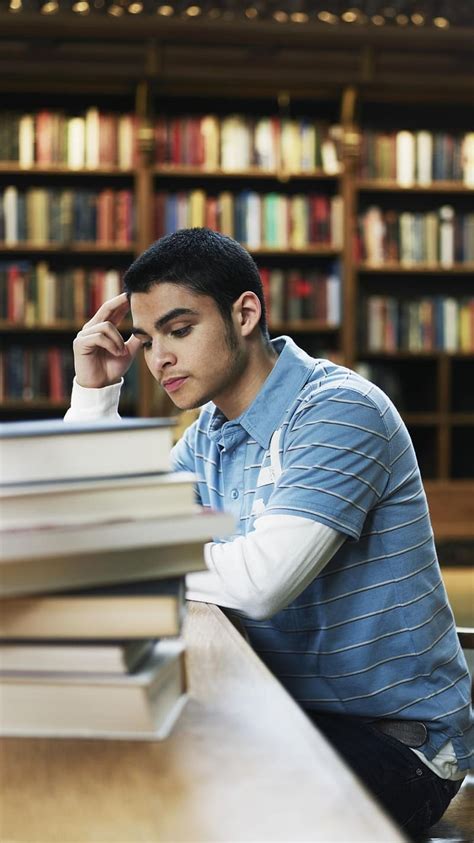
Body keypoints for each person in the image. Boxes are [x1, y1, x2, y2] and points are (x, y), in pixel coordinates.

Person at [66, 227, 473, 837]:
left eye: (179, 331)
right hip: (279, 713)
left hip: (396, 743)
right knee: (106, 773)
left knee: (174, 814)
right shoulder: (210, 433)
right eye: (147, 341)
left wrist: (132, 553)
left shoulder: (338, 410)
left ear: (245, 313)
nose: (158, 359)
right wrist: (95, 398)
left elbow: (261, 582)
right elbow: (101, 525)